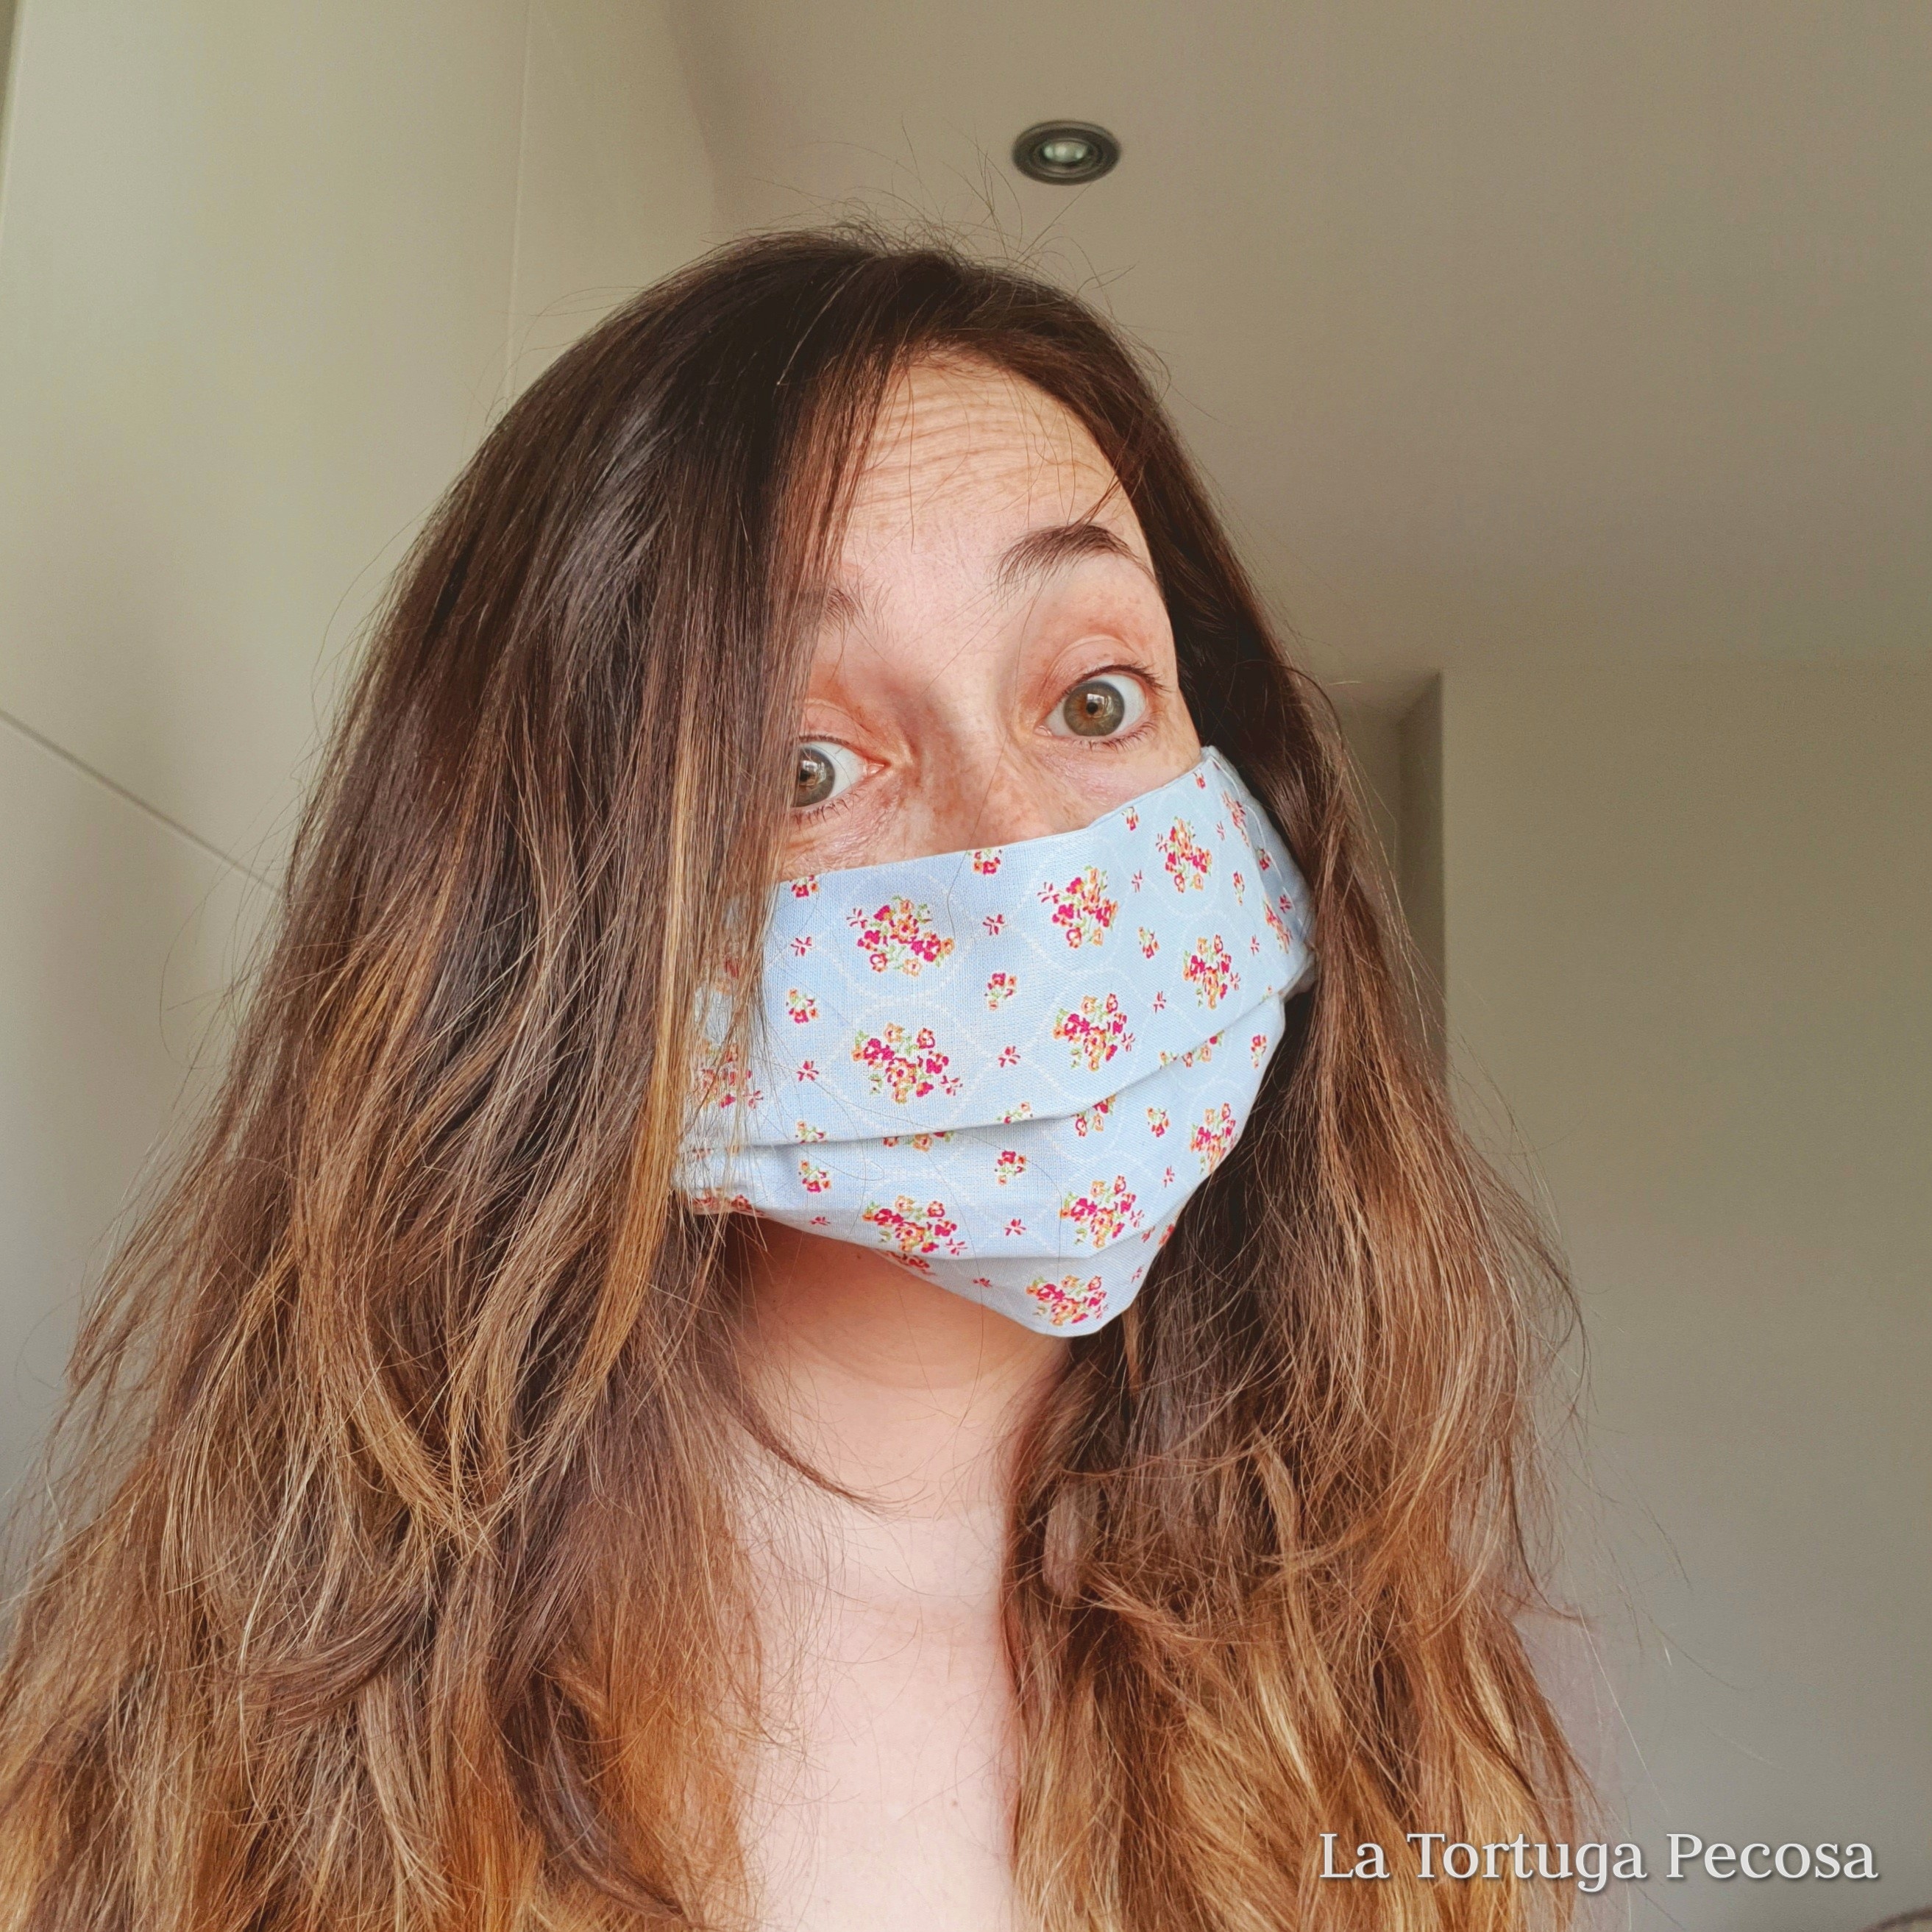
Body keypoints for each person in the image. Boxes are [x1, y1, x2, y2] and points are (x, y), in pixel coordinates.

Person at [0, 231, 1583, 1931]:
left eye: (1094, 696)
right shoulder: (192, 1775)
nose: (1021, 856)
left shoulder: (1404, 1716)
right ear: (548, 927)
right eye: (804, 765)